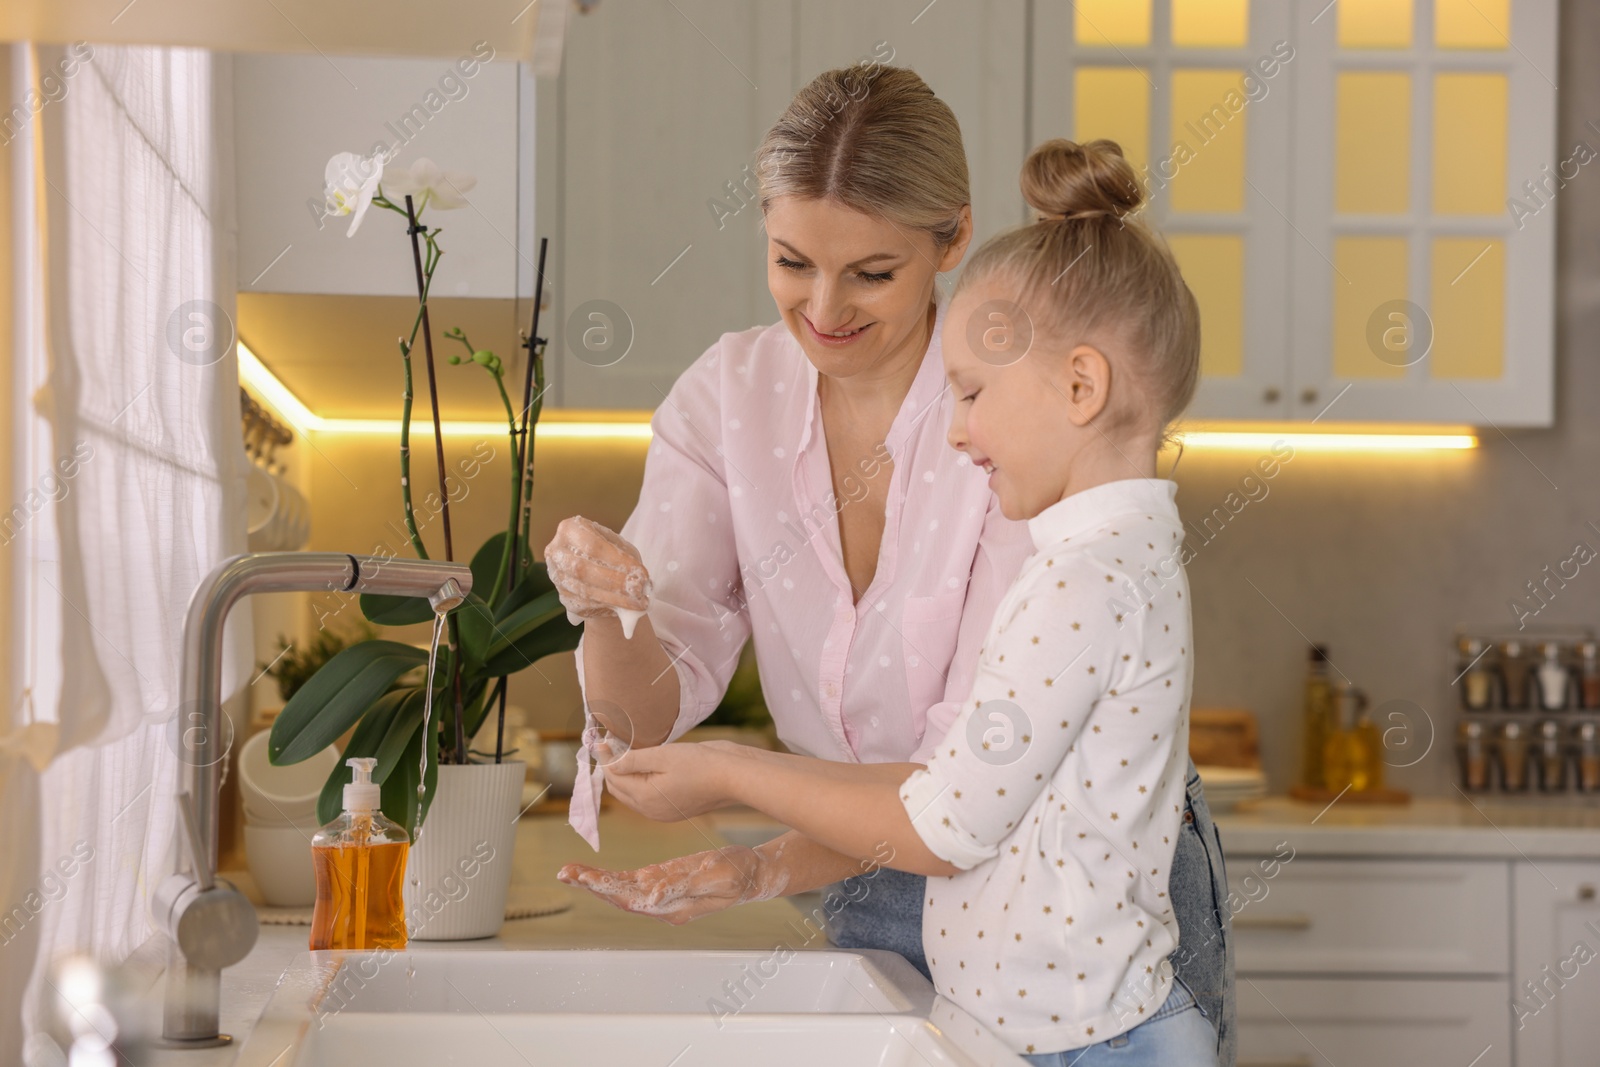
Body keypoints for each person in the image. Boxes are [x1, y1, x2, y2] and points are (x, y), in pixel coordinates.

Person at [545, 66, 1235, 1066]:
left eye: (871, 271)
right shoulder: (730, 397)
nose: (823, 308)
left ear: (950, 239)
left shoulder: (1018, 442)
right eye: (791, 261)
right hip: (919, 902)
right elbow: (642, 717)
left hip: (1073, 939)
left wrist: (737, 783)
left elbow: (956, 803)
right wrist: (604, 604)